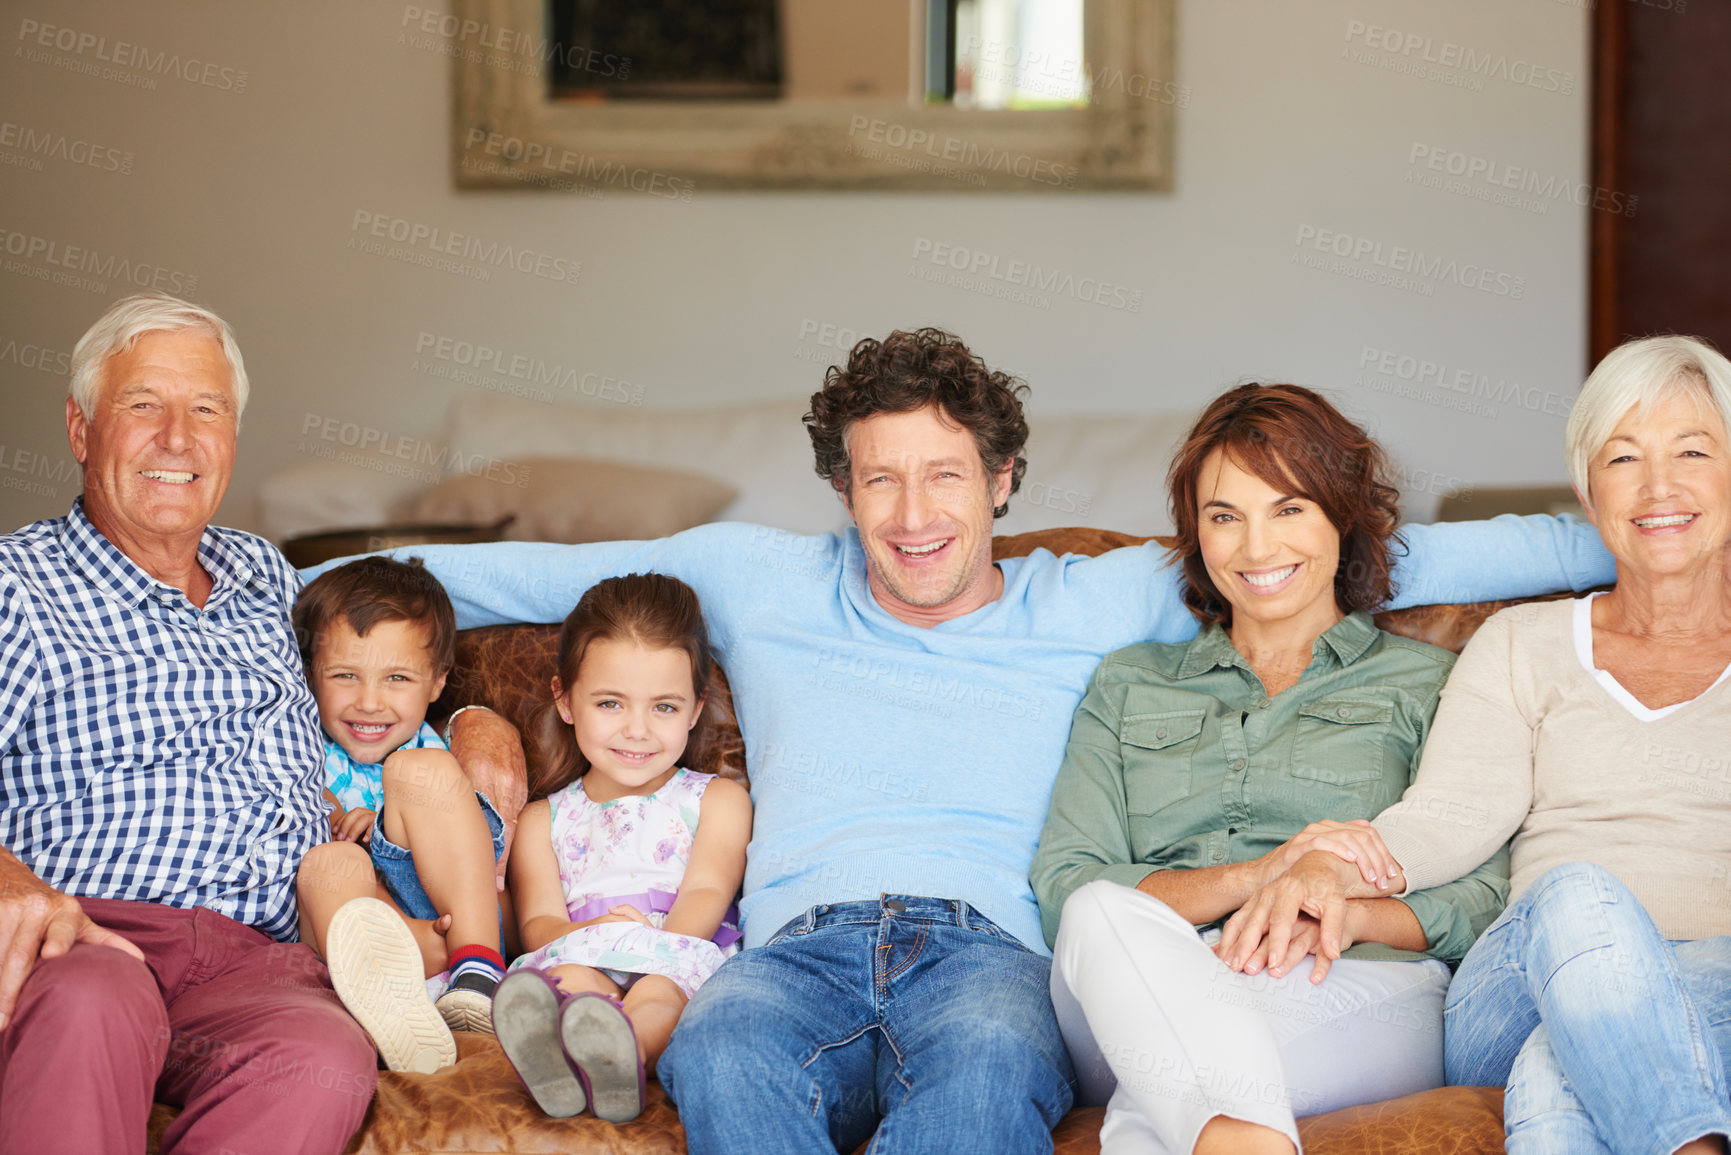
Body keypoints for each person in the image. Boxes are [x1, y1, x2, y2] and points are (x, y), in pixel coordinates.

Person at [307, 328, 1618, 1154]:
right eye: (878, 476)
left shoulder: (1095, 595)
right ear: (841, 490)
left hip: (990, 947)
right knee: (718, 1045)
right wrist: (277, 587)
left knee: (994, 1065)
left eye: (944, 475)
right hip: (798, 941)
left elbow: (1376, 549)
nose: (912, 511)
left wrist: (1627, 532)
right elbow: (527, 570)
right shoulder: (759, 580)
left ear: (1000, 482)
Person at [1219, 335, 1731, 1154]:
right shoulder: (1521, 644)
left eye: (1692, 450)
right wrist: (1327, 864)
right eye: (1623, 457)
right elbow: (1446, 815)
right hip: (1520, 979)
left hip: (1715, 981)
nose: (1657, 485)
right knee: (1576, 895)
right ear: (1586, 493)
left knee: (1556, 1066)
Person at [1030, 383, 1509, 1155]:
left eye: (1288, 508)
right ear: (1194, 532)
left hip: (1348, 980)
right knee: (1096, 908)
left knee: (1161, 1101)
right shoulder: (1130, 681)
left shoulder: (1428, 679)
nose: (1256, 549)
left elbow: (1484, 894)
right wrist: (1268, 875)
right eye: (1224, 517)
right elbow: (1064, 886)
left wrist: (1339, 910)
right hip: (1139, 979)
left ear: (1341, 517)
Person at [0, 293, 375, 1154]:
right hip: (90, 932)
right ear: (79, 428)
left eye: (206, 409)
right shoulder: (17, 585)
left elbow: (416, 612)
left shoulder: (270, 574)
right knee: (91, 1003)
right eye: (143, 405)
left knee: (323, 1054)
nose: (177, 437)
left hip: (258, 960)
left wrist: (473, 717)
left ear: (232, 437)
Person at [491, 573, 750, 1124]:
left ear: (696, 709)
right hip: (585, 949)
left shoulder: (717, 800)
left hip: (677, 945)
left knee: (658, 993)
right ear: (565, 700)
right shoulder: (543, 820)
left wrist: (654, 939)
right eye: (610, 703)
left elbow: (708, 888)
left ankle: (625, 1052)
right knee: (569, 985)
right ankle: (564, 1063)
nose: (637, 731)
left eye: (664, 707)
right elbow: (538, 921)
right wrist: (595, 936)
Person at [291, 556, 509, 1072]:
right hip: (385, 935)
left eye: (397, 678)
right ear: (308, 677)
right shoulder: (297, 746)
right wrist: (330, 815)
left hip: (449, 905)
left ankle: (480, 971)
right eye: (345, 675)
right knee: (328, 863)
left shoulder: (435, 747)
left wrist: (379, 816)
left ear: (437, 683)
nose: (369, 702)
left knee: (419, 772)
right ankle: (390, 1007)